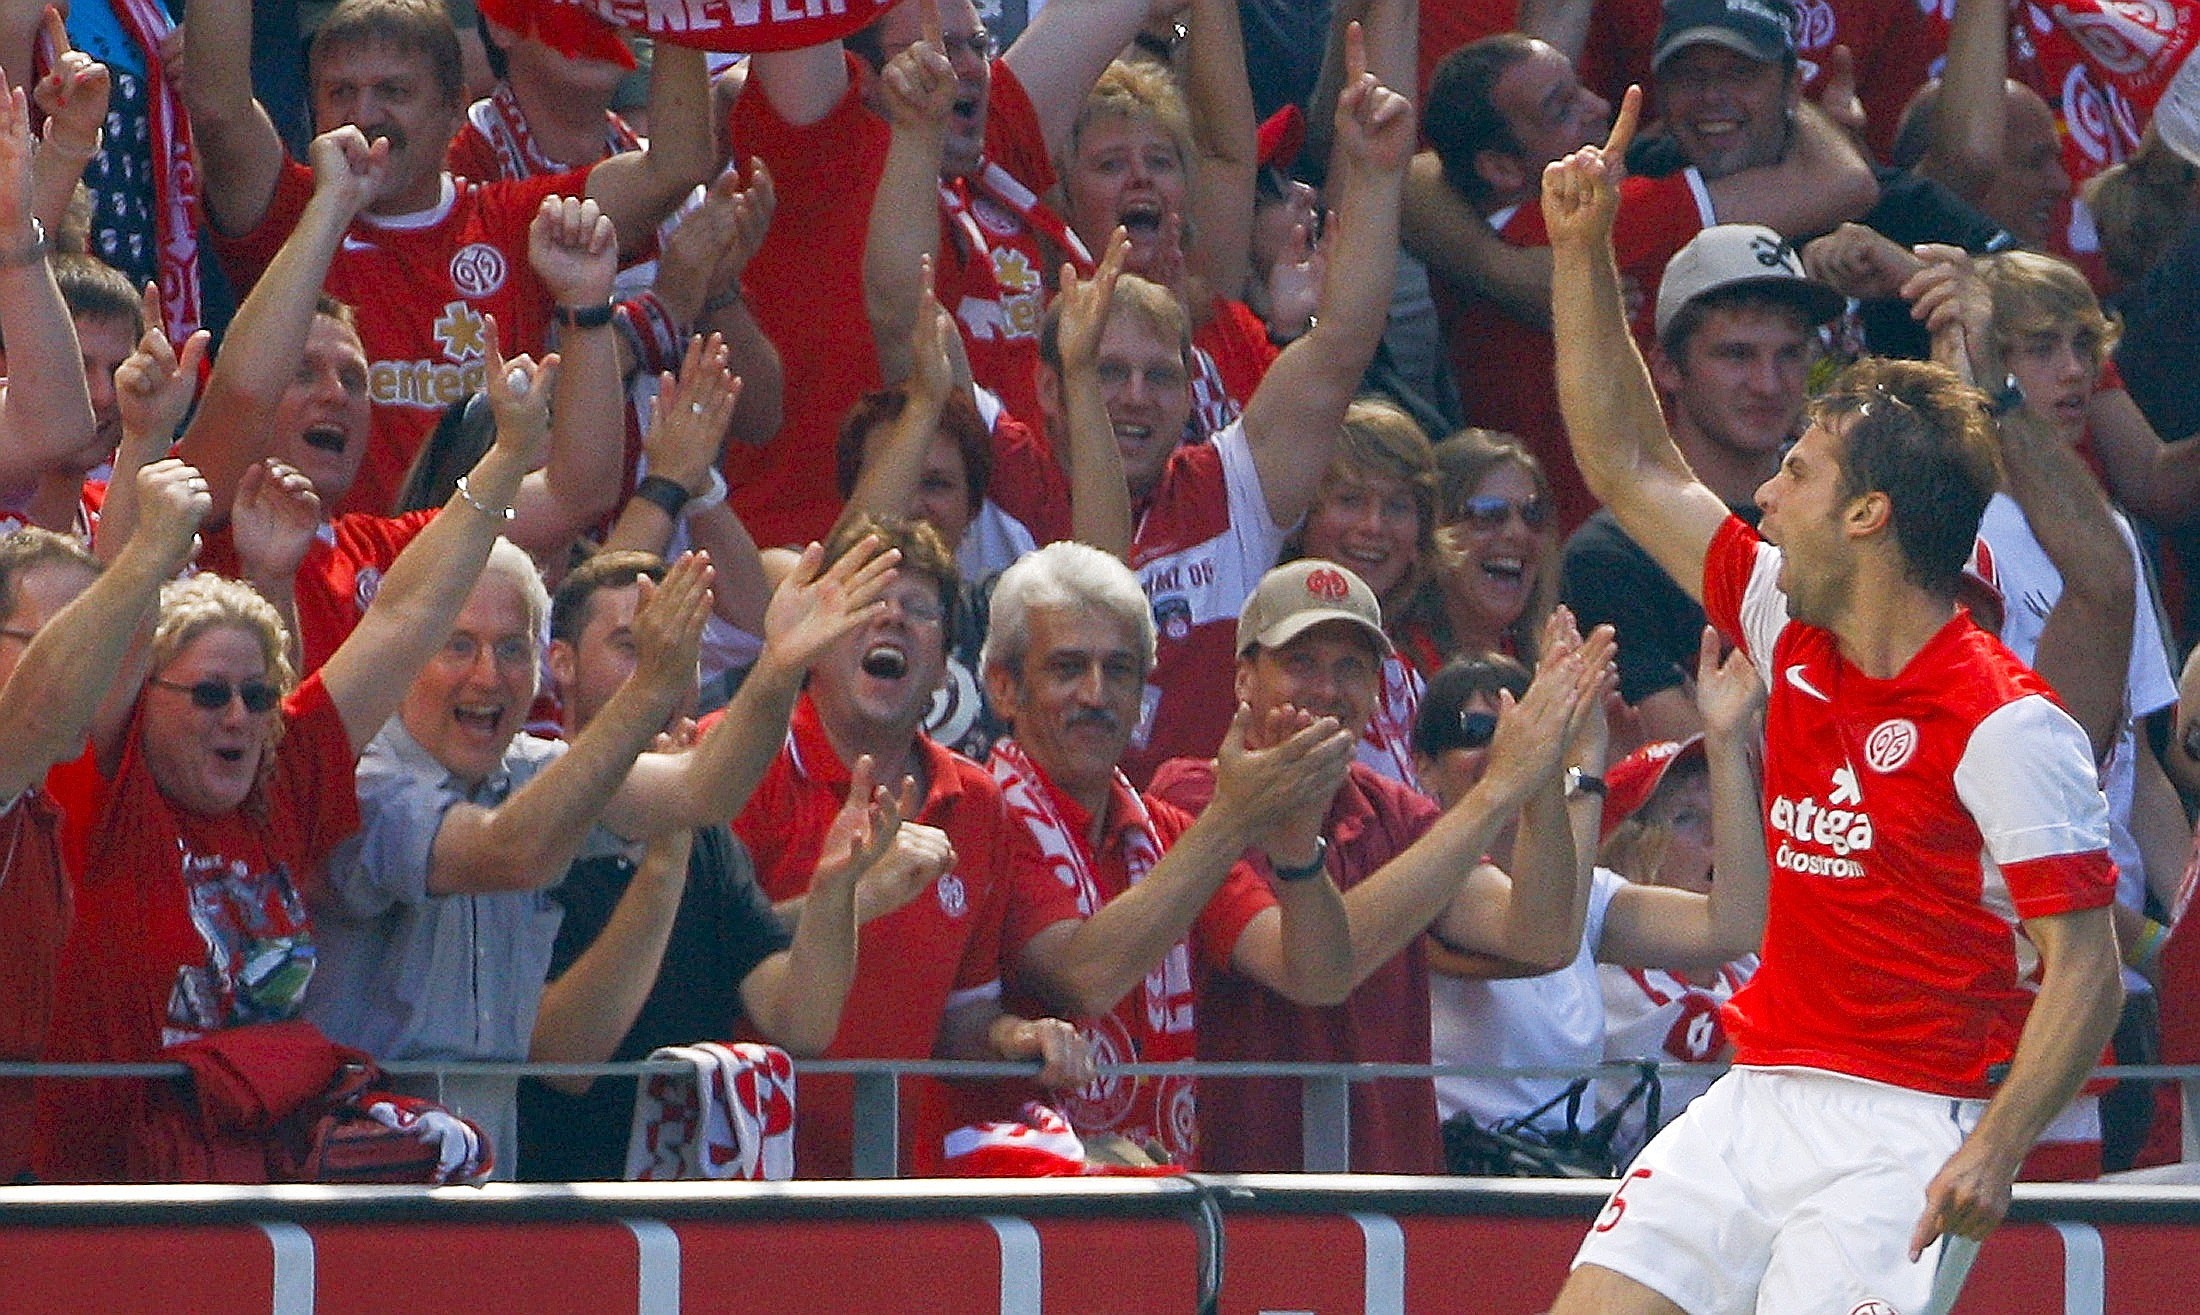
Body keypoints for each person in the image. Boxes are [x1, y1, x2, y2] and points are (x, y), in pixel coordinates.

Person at [1541, 98, 2123, 1313]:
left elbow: (2086, 971)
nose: (1762, 494)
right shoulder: (1781, 619)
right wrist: (1583, 255)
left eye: (1797, 472)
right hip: (1754, 1098)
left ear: (1868, 516)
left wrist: (1998, 1145)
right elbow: (1626, 461)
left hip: (1906, 1131)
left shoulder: (2008, 724)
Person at [32, 328, 564, 1184]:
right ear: (145, 700)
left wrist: (504, 459)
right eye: (209, 694)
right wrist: (141, 441)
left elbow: (399, 620)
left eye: (255, 694)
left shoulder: (281, 785)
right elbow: (115, 620)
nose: (238, 716)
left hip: (262, 1201)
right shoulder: (111, 786)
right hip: (108, 1206)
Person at [305, 523, 899, 1177]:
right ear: (404, 655)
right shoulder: (360, 775)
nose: (487, 674)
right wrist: (649, 689)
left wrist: (779, 669)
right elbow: (511, 849)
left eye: (510, 648)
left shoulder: (530, 766)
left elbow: (701, 791)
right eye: (457, 646)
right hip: (356, 1169)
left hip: (484, 1171)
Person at [988, 22, 1415, 785]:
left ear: (1195, 389)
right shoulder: (1012, 476)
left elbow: (1344, 339)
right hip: (1055, 837)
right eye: (1107, 372)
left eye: (1160, 376)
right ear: (1054, 384)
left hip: (1220, 845)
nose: (1136, 397)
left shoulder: (1231, 488)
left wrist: (1377, 176)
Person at [1149, 560, 1614, 1172]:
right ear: (1243, 680)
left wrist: (1543, 775)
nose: (1327, 688)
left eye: (1351, 667)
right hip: (1245, 1197)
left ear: (1376, 690)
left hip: (1395, 1198)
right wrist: (1497, 790)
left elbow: (1543, 936)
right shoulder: (1190, 797)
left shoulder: (1392, 811)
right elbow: (1311, 971)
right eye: (1300, 663)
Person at [509, 550, 949, 1180]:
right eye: (634, 646)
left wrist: (834, 893)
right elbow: (567, 1061)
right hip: (548, 1210)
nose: (663, 671)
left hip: (690, 1220)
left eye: (679, 651)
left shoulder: (709, 839)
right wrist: (664, 859)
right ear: (562, 665)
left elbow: (799, 1021)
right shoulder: (528, 810)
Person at [179, 0, 714, 515]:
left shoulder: (516, 222)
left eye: (393, 91)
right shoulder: (290, 214)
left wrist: (674, 12)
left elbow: (674, 165)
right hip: (319, 569)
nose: (364, 115)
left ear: (455, 110)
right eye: (340, 92)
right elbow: (217, 107)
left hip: (480, 570)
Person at [168, 125, 626, 672]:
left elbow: (578, 490)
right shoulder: (199, 518)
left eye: (356, 380)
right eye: (303, 374)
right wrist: (332, 206)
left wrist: (586, 305)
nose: (336, 395)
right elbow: (242, 394)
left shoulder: (386, 550)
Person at [1406, 8, 1875, 532]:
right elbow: (1845, 182)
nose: (1599, 106)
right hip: (1631, 535)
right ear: (1499, 168)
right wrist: (1781, 91)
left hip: (1555, 530)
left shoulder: (1462, 220)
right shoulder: (1615, 216)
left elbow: (1414, 173)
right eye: (1562, 108)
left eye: (1580, 87)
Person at [729, 515, 1093, 1177]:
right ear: (812, 641)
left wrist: (1014, 1035)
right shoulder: (737, 759)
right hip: (734, 1184)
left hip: (888, 1189)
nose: (891, 619)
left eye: (918, 609)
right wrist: (848, 900)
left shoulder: (978, 804)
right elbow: (696, 957)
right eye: (868, 600)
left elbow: (963, 1014)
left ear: (944, 672)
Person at [978, 540, 1358, 1165]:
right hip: (1018, 1214)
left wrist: (1294, 845)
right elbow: (1084, 977)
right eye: (1067, 668)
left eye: (1120, 670)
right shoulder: (980, 813)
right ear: (1003, 688)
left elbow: (1316, 976)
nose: (1097, 696)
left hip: (1156, 1195)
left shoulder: (1169, 833)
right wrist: (1234, 818)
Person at [726, 0, 1155, 546]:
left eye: (977, 45)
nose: (968, 67)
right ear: (863, 75)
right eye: (935, 49)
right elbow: (796, 17)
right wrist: (916, 126)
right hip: (824, 558)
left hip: (1004, 559)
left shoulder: (988, 154)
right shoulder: (819, 152)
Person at [1420, 630, 1766, 1172]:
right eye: (1477, 730)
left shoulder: (1595, 895)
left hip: (1563, 1176)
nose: (1502, 746)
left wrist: (1724, 743)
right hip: (1462, 1177)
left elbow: (1734, 925)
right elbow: (1543, 937)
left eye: (1524, 724)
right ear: (1425, 767)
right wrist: (1583, 763)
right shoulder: (1428, 873)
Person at [0, 463, 208, 1182]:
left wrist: (145, 439)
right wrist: (151, 551)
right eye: (58, 638)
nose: (86, 671)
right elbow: (33, 712)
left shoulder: (40, 803)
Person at [1562, 224, 1839, 746]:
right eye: (1736, 355)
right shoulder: (1612, 553)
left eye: (1790, 354)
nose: (1768, 383)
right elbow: (1685, 765)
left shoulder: (1844, 525)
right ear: (1666, 366)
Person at [1285, 396, 1439, 787]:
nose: (1374, 526)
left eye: (1397, 506)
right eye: (1350, 500)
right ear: (1303, 515)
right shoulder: (1274, 660)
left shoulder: (1407, 679)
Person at [1394, 429, 1557, 674]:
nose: (1517, 533)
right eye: (1489, 513)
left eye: (1532, 513)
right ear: (1435, 528)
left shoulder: (1550, 668)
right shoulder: (1390, 666)